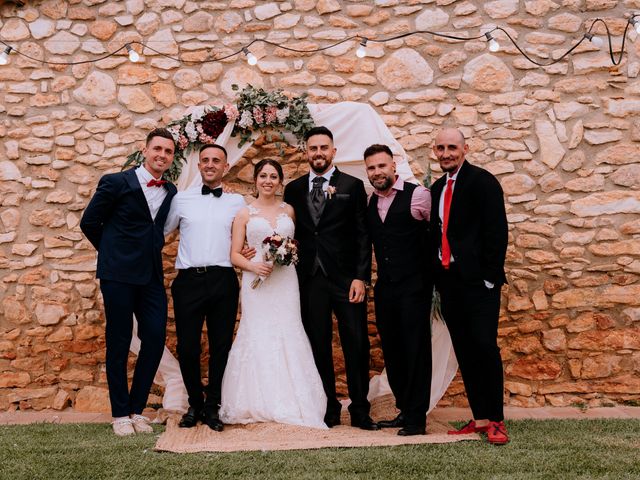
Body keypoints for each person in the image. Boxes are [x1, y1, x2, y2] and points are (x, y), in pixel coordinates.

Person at [80, 128, 178, 436]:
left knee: (154, 337)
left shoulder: (171, 191)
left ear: (172, 157)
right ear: (145, 150)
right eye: (158, 149)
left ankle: (137, 410)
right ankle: (120, 414)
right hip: (118, 275)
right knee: (119, 341)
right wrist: (112, 254)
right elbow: (89, 222)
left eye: (168, 151)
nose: (162, 155)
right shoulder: (115, 182)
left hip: (150, 276)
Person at [218, 159, 327, 429]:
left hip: (286, 282)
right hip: (257, 284)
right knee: (257, 333)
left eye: (273, 176)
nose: (268, 181)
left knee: (289, 330)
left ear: (280, 181)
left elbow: (296, 244)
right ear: (255, 180)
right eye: (263, 176)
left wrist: (287, 255)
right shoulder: (245, 214)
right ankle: (254, 400)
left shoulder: (289, 210)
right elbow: (233, 254)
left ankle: (294, 401)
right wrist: (254, 266)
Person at [283, 126, 378, 431]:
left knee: (357, 343)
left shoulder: (352, 185)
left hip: (346, 279)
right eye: (313, 148)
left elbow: (364, 236)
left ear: (333, 151)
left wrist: (361, 278)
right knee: (317, 345)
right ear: (306, 153)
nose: (319, 153)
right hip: (310, 279)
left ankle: (360, 409)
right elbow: (292, 232)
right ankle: (329, 406)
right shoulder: (294, 189)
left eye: (324, 148)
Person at [429, 128, 509, 445]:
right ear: (434, 151)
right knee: (465, 350)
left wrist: (489, 277)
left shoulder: (483, 182)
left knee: (485, 348)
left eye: (452, 147)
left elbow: (497, 231)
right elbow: (437, 232)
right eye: (440, 148)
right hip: (450, 283)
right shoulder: (436, 188)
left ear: (465, 148)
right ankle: (479, 420)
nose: (446, 152)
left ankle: (497, 421)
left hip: (480, 285)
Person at [164, 144, 245, 432]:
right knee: (187, 347)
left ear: (225, 167)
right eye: (205, 160)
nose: (210, 164)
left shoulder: (237, 203)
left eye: (216, 161)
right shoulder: (181, 200)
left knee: (221, 346)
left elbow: (246, 236)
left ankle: (213, 407)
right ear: (199, 166)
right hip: (188, 281)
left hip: (223, 279)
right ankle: (194, 403)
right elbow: (163, 233)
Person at [364, 144, 433, 436]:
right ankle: (405, 409)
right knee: (393, 350)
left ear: (393, 166)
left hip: (414, 286)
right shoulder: (370, 202)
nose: (377, 172)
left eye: (381, 166)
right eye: (371, 168)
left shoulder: (418, 195)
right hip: (386, 289)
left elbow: (438, 235)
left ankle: (417, 417)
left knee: (416, 349)